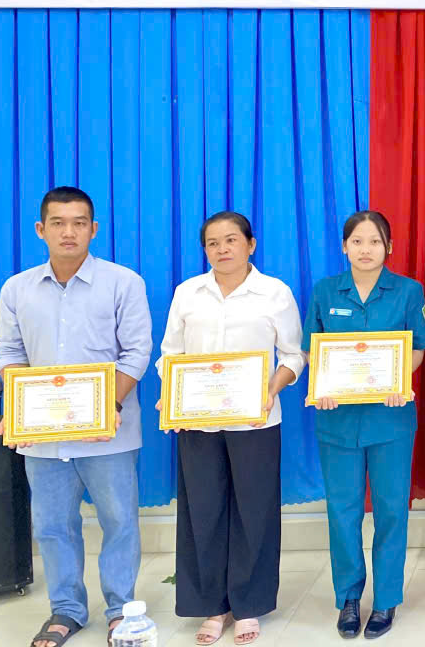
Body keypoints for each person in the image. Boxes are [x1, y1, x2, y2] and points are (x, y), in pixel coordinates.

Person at [0, 186, 153, 647]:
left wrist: (109, 405)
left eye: (79, 223)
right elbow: (10, 351)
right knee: (52, 525)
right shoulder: (17, 288)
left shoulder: (124, 283)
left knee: (119, 521)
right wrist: (18, 408)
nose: (69, 232)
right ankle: (66, 609)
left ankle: (121, 610)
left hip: (110, 432)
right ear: (41, 229)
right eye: (58, 223)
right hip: (43, 436)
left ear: (93, 229)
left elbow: (136, 352)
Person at [156, 211, 305, 645]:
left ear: (250, 244)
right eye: (213, 243)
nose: (222, 249)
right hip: (197, 422)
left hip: (256, 419)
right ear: (205, 250)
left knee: (254, 513)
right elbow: (170, 355)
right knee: (202, 512)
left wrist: (271, 390)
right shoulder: (188, 293)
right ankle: (211, 605)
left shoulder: (274, 293)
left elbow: (293, 355)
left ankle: (248, 604)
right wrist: (173, 393)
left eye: (231, 240)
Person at [303, 210, 425, 640]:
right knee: (343, 513)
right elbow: (312, 349)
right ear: (344, 246)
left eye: (375, 241)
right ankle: (348, 597)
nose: (365, 249)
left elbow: (416, 349)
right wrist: (322, 382)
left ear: (388, 247)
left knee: (392, 511)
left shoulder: (408, 291)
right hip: (337, 420)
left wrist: (398, 380)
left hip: (390, 419)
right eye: (357, 241)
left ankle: (386, 599)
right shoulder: (325, 291)